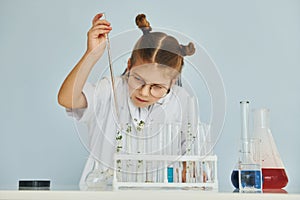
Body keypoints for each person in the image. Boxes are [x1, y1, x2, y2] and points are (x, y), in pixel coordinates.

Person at [58, 13, 196, 189]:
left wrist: (190, 170)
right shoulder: (110, 90)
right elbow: (66, 99)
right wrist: (91, 54)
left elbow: (190, 152)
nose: (145, 93)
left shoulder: (181, 101)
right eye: (138, 79)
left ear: (173, 81)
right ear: (129, 66)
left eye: (157, 87)